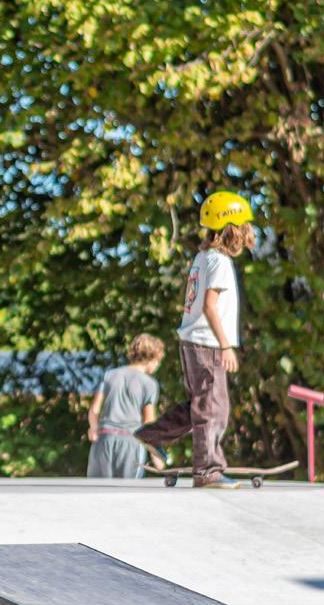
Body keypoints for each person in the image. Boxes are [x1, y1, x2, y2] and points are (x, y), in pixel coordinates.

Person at [134, 192, 256, 489]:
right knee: (213, 408)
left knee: (200, 405)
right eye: (244, 229)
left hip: (193, 342)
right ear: (230, 230)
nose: (247, 236)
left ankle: (154, 434)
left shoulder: (203, 258)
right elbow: (210, 307)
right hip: (207, 344)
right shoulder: (220, 262)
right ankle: (208, 471)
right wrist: (226, 345)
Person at [86, 334, 166, 478]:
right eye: (158, 361)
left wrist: (93, 427)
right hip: (131, 443)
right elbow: (149, 422)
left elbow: (94, 410)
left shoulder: (109, 375)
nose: (158, 366)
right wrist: (155, 453)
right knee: (127, 490)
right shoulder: (149, 383)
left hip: (104, 439)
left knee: (98, 489)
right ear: (152, 358)